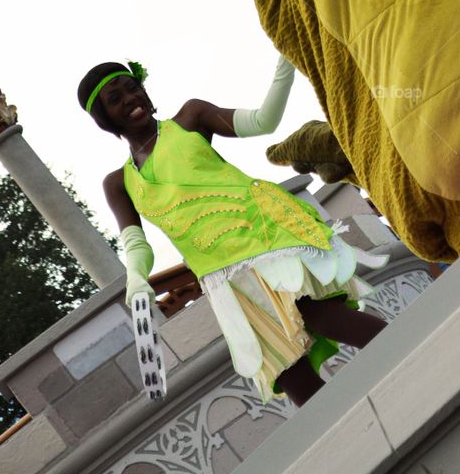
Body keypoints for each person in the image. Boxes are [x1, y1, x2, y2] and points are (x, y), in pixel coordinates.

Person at [77, 56, 390, 407]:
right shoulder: (119, 182)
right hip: (221, 276)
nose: (129, 99)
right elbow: (135, 243)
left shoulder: (190, 118)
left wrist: (285, 63)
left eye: (131, 89)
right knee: (287, 369)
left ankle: (420, 347)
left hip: (265, 239)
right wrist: (136, 277)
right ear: (104, 119)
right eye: (115, 99)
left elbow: (262, 120)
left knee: (321, 315)